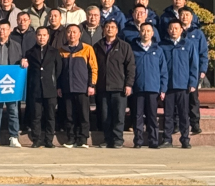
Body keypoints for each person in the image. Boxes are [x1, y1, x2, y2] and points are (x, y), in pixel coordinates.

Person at [0, 22, 26, 148]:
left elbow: (20, 59)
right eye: (0, 28)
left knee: (13, 110)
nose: (2, 31)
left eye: (5, 29)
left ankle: (14, 137)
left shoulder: (16, 45)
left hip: (10, 83)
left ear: (10, 30)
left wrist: (23, 61)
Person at [93, 20, 134, 149]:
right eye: (107, 27)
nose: (110, 29)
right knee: (105, 116)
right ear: (103, 29)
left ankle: (118, 140)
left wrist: (128, 84)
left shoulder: (124, 46)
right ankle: (107, 139)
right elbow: (93, 67)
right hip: (103, 87)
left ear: (117, 30)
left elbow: (130, 67)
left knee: (119, 115)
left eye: (112, 27)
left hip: (119, 87)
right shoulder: (97, 46)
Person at [57, 24, 97, 149]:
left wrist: (91, 85)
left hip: (82, 88)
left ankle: (83, 139)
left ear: (80, 34)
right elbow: (58, 71)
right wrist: (59, 86)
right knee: (69, 115)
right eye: (69, 32)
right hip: (67, 88)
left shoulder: (87, 49)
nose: (72, 34)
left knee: (83, 114)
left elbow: (93, 68)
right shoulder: (61, 50)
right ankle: (71, 138)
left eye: (74, 32)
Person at [161, 19, 199, 149]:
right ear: (168, 30)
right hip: (168, 86)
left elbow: (194, 65)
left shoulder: (188, 45)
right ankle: (167, 139)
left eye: (176, 28)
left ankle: (185, 139)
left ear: (181, 30)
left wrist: (193, 82)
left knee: (184, 114)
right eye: (171, 28)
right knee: (168, 115)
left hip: (183, 86)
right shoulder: (163, 45)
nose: (173, 31)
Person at [23, 27, 63, 148]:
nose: (42, 37)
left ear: (48, 37)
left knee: (50, 116)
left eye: (44, 35)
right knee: (36, 116)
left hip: (50, 88)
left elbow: (59, 70)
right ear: (36, 36)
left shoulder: (54, 52)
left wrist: (57, 85)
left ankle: (49, 140)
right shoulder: (29, 52)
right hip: (35, 89)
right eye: (39, 35)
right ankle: (36, 139)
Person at [132, 23, 168, 149]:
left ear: (152, 33)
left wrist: (163, 89)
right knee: (138, 116)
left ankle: (153, 140)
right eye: (143, 30)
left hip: (153, 88)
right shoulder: (133, 49)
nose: (146, 33)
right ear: (139, 32)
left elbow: (163, 71)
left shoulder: (158, 50)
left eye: (148, 31)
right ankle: (138, 140)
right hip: (138, 88)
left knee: (152, 116)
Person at [180, 7, 209, 134]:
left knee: (193, 98)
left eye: (187, 15)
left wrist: (203, 69)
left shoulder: (198, 33)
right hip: (179, 70)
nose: (184, 17)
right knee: (178, 98)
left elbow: (203, 53)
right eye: (182, 15)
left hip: (193, 70)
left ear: (192, 17)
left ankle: (195, 123)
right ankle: (178, 123)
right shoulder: (175, 30)